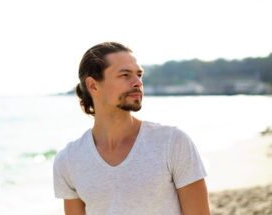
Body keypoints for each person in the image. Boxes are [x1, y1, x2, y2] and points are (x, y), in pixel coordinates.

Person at [53, 42, 211, 215]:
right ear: (93, 86)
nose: (138, 83)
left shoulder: (173, 142)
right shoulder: (68, 160)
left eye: (139, 75)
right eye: (125, 75)